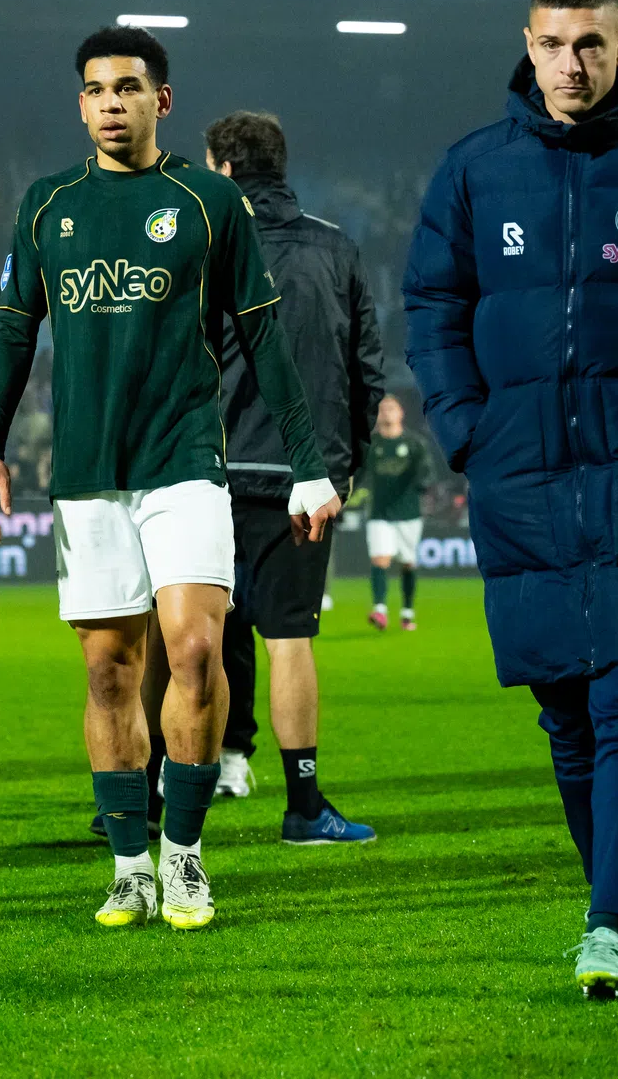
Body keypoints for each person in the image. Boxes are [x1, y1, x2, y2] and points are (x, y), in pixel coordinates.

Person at [0, 27, 341, 932]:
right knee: (108, 673)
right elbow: (15, 331)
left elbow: (262, 334)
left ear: (160, 101)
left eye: (128, 88)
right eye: (95, 89)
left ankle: (185, 854)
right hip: (89, 471)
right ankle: (130, 866)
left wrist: (308, 460)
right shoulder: (47, 203)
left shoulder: (210, 201)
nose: (110, 103)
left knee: (198, 651)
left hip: (185, 460)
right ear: (81, 103)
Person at [404, 0, 618, 998]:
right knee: (566, 714)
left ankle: (605, 923)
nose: (571, 64)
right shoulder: (474, 170)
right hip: (521, 476)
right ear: (528, 41)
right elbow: (431, 303)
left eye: (592, 43)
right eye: (553, 43)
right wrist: (468, 430)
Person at [203, 110, 384, 846]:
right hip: (303, 478)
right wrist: (342, 466)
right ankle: (304, 807)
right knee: (289, 639)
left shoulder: (206, 244)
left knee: (193, 641)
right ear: (279, 165)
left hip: (208, 472)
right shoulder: (335, 249)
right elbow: (366, 373)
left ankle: (177, 799)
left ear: (220, 167)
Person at [362, 395, 435, 633]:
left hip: (409, 514)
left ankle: (407, 611)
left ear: (401, 413)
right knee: (380, 559)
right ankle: (380, 610)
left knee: (407, 563)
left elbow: (427, 471)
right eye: (382, 409)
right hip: (380, 513)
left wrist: (424, 481)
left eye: (391, 408)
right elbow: (358, 471)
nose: (386, 413)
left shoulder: (414, 444)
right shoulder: (371, 444)